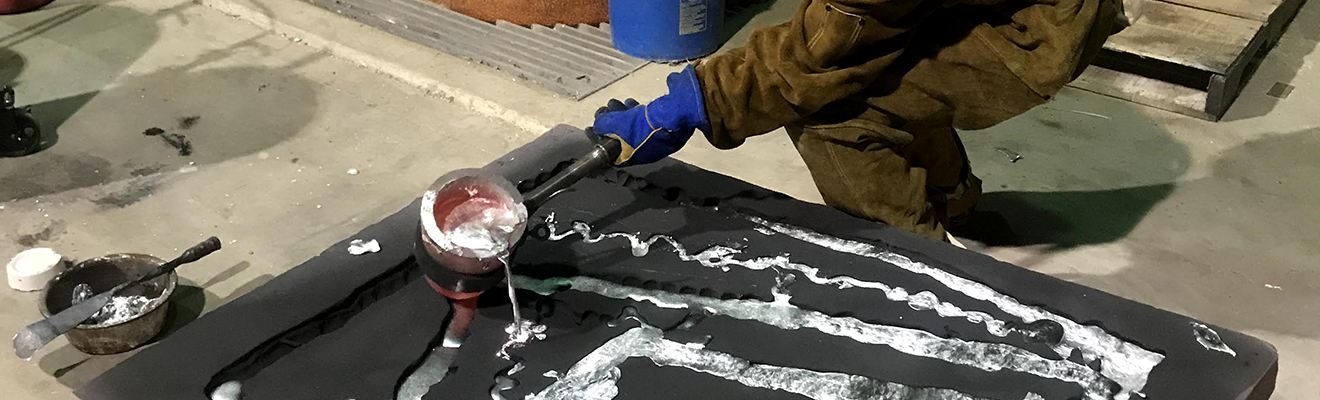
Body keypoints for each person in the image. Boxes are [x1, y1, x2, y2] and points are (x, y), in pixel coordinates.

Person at [592, 0, 1138, 242]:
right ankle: (954, 198)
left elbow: (821, 55)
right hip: (1021, 5)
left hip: (1034, 33)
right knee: (890, 69)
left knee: (828, 107)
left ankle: (925, 272)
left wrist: (696, 100)